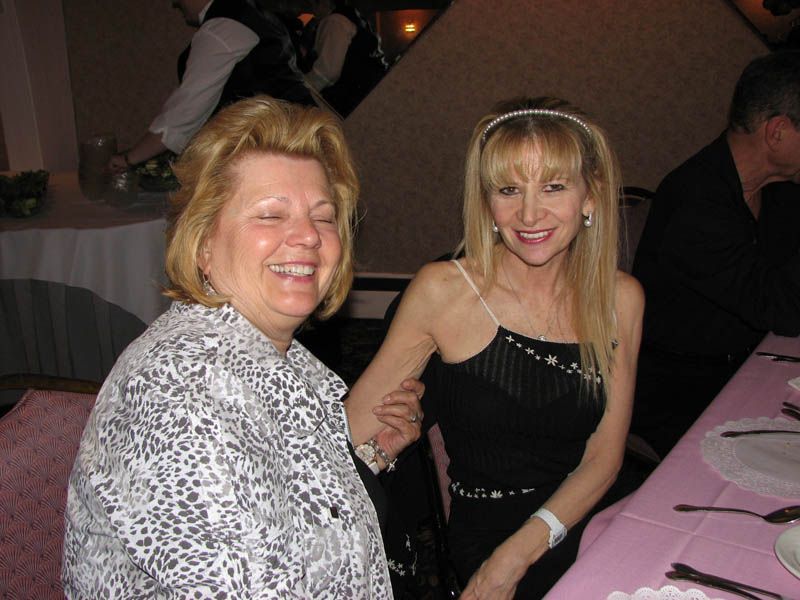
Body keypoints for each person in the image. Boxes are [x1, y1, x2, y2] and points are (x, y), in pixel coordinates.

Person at [63, 96, 424, 598]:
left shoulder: (277, 356)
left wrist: (362, 460)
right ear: (203, 243)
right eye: (271, 215)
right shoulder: (181, 394)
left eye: (322, 218)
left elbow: (278, 510)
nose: (308, 237)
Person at [345, 97, 644, 598]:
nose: (529, 213)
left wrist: (518, 554)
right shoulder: (445, 291)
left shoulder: (620, 298)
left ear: (589, 196)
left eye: (553, 187)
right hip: (489, 524)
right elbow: (350, 434)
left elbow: (604, 458)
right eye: (508, 190)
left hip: (590, 508)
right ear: (486, 202)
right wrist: (387, 445)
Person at [630, 50, 800, 457]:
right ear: (777, 132)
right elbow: (782, 309)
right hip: (680, 392)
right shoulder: (695, 202)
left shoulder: (779, 189)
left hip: (749, 365)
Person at [109, 0, 314, 172]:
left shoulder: (224, 26)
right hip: (298, 139)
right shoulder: (254, 13)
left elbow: (185, 112)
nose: (174, 3)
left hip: (277, 150)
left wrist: (129, 159)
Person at [304, 0, 388, 117]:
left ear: (326, 3)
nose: (312, 10)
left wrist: (302, 91)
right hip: (364, 98)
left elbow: (328, 72)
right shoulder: (355, 19)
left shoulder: (334, 22)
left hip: (348, 102)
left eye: (314, 4)